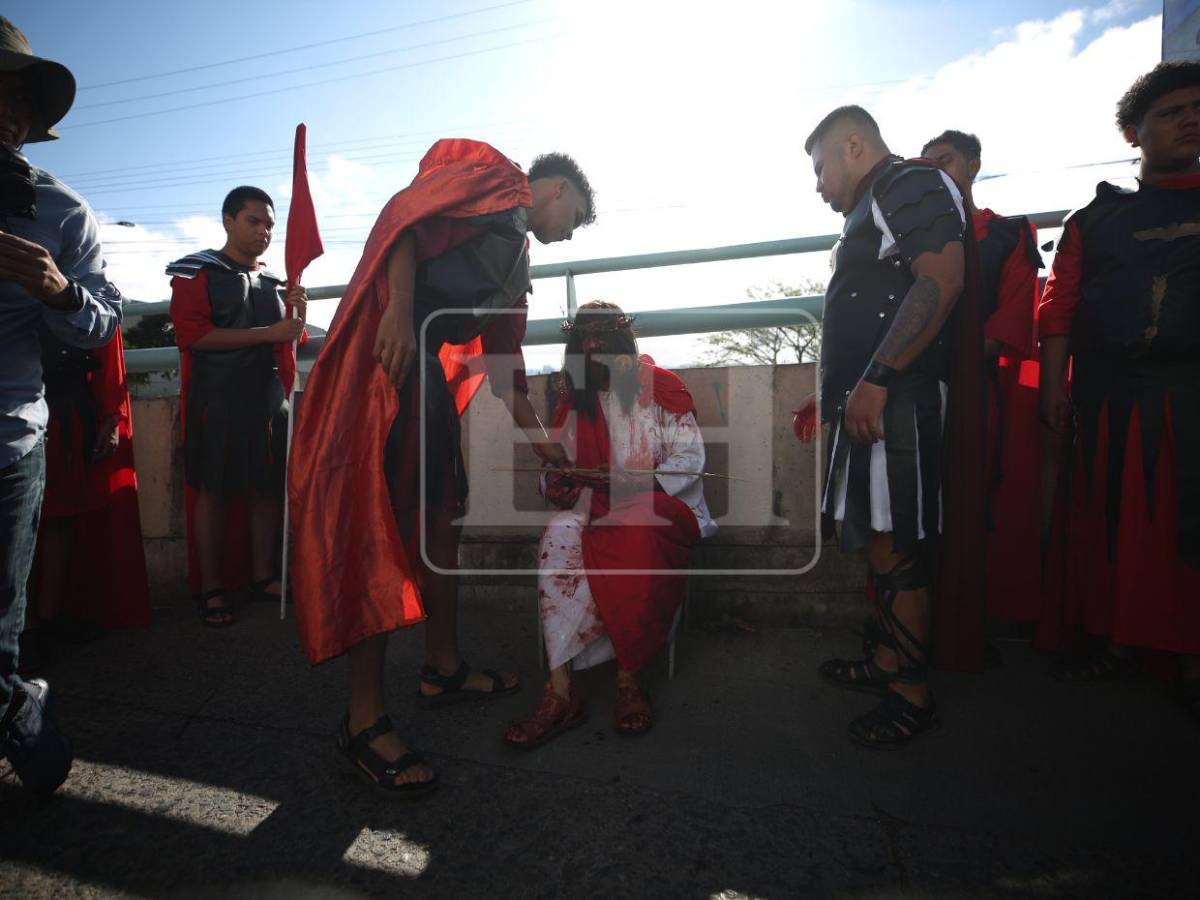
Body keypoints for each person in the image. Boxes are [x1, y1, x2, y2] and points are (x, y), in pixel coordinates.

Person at [288, 139, 595, 797]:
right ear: (561, 191)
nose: (565, 238)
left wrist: (544, 445)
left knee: (442, 520)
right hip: (391, 357)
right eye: (573, 223)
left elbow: (506, 371)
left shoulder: (517, 266)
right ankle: (362, 719)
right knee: (386, 526)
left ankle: (443, 667)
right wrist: (398, 307)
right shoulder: (498, 183)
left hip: (425, 373)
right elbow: (409, 217)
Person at [796, 105, 982, 748]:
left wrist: (876, 378)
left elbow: (941, 280)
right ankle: (884, 661)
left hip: (895, 396)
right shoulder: (873, 202)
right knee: (880, 539)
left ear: (853, 146)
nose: (817, 183)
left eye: (820, 167)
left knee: (897, 544)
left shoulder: (909, 182)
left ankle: (912, 692)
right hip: (872, 396)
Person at [1035, 60, 1200, 721]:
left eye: (1197, 108)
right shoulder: (1092, 220)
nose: (1191, 117)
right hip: (1107, 398)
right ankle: (1117, 644)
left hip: (1191, 395)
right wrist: (1053, 392)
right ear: (1135, 133)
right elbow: (1059, 310)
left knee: (1189, 529)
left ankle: (1190, 658)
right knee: (1108, 523)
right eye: (1171, 111)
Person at [0, 16, 122, 796]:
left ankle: (18, 701)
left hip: (7, 443)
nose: (11, 108)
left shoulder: (60, 211)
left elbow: (104, 320)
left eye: (21, 96)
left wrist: (56, 290)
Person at [503, 302, 715, 748]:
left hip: (656, 504)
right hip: (589, 504)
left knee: (634, 534)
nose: (595, 357)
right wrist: (554, 484)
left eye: (604, 347)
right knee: (557, 537)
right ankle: (560, 691)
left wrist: (637, 480)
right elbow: (554, 468)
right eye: (586, 348)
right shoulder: (572, 399)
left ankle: (628, 678)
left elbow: (690, 459)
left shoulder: (662, 387)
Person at [920, 130, 1043, 641]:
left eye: (944, 162)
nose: (935, 174)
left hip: (979, 392)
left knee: (980, 498)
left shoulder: (1010, 235)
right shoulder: (912, 242)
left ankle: (972, 624)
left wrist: (947, 358)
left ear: (972, 165)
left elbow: (1015, 318)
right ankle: (911, 626)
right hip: (920, 388)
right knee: (916, 504)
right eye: (925, 168)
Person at [167, 186, 307, 627]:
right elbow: (193, 337)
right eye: (254, 221)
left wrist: (295, 320)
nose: (264, 231)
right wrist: (271, 332)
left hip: (268, 400)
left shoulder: (274, 281)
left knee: (265, 489)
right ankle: (212, 587)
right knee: (213, 491)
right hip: (217, 399)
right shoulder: (195, 272)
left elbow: (287, 342)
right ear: (228, 220)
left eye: (269, 224)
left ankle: (263, 577)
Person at [21, 322, 151, 672]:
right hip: (17, 412)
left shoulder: (80, 278)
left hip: (71, 410)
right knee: (18, 525)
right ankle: (24, 625)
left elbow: (107, 350)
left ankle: (45, 620)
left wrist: (111, 418)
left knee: (62, 517)